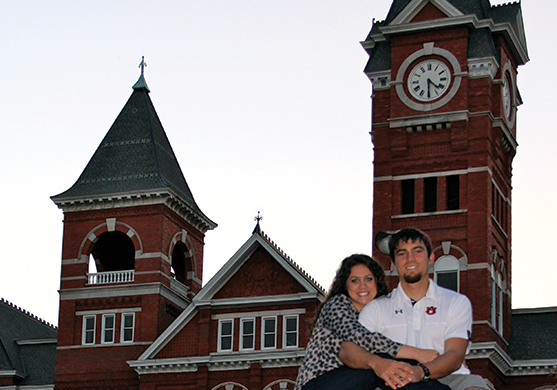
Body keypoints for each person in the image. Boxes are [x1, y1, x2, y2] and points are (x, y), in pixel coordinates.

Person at [347, 228, 489, 390]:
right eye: (402, 253)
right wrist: (377, 363)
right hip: (393, 379)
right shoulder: (376, 308)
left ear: (431, 258)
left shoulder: (455, 302)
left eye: (417, 251)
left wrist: (421, 372)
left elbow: (455, 355)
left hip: (447, 379)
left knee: (475, 387)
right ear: (393, 264)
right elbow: (349, 350)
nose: (410, 259)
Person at [295, 254, 450, 390]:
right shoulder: (337, 305)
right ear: (345, 285)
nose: (363, 286)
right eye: (355, 280)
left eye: (368, 279)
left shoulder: (378, 312)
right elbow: (361, 338)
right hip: (317, 383)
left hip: (350, 380)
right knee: (379, 367)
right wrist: (418, 353)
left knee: (397, 365)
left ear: (377, 282)